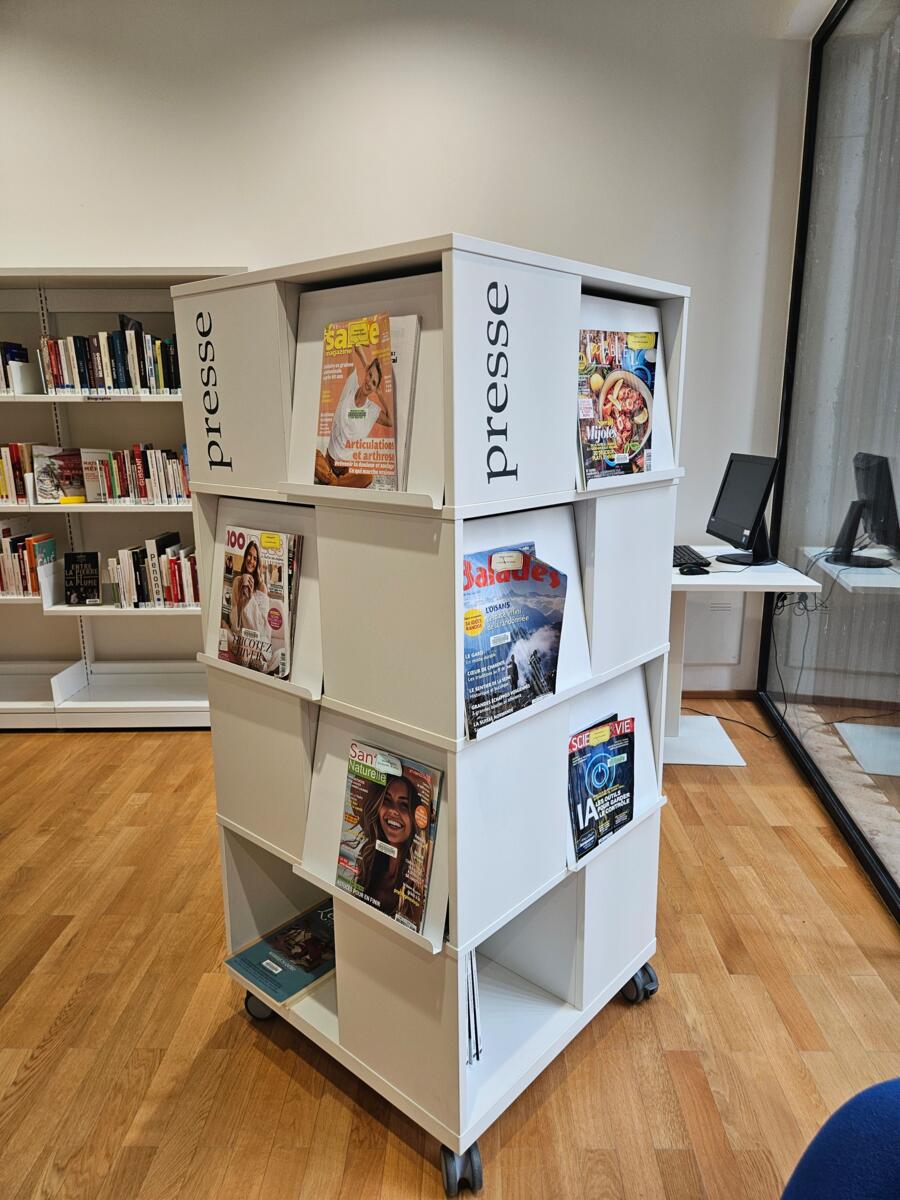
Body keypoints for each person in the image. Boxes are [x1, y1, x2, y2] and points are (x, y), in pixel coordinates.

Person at [315, 343, 394, 487]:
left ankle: (332, 481)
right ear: (366, 372)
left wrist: (380, 394)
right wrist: (365, 363)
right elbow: (351, 346)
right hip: (329, 461)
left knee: (367, 477)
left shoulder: (372, 410)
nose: (369, 382)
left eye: (374, 383)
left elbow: (390, 421)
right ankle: (336, 483)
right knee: (313, 456)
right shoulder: (351, 385)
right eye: (370, 375)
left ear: (375, 388)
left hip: (347, 468)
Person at [353, 774, 424, 926]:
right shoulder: (368, 863)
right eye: (387, 800)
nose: (393, 810)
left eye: (404, 805)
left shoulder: (418, 886)